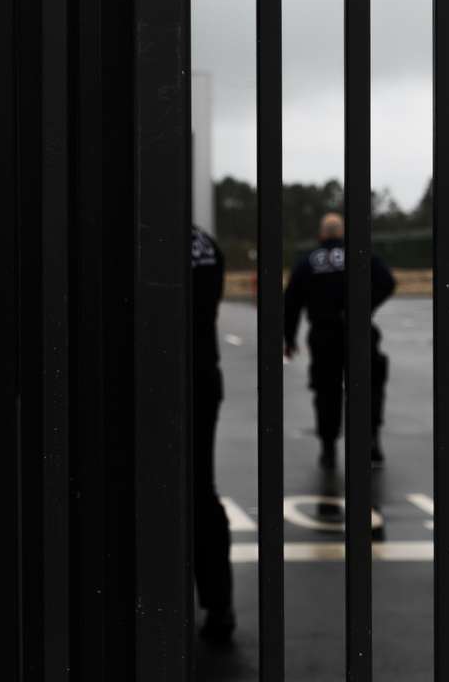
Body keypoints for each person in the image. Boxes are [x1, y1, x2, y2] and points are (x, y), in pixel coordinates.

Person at [283, 212, 397, 469]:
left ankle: (328, 446)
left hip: (323, 334)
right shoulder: (359, 255)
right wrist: (364, 306)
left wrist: (289, 338)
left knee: (326, 391)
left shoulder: (308, 261)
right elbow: (388, 282)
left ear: (321, 234)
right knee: (368, 387)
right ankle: (371, 442)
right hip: (357, 330)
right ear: (343, 233)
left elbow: (291, 302)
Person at [191, 224, 235, 642]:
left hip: (151, 380)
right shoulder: (205, 243)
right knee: (200, 489)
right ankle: (218, 604)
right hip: (201, 375)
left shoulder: (142, 235)